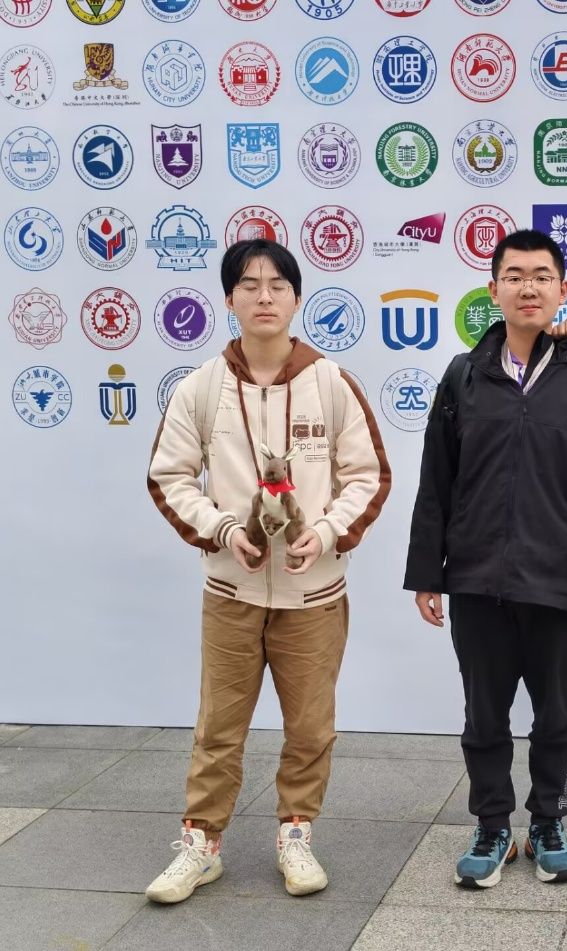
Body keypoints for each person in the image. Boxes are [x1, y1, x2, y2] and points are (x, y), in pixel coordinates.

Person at [144, 239, 391, 903]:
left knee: (310, 726)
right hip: (231, 588)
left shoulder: (331, 381)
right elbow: (169, 476)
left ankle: (296, 833)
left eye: (277, 284)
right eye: (249, 285)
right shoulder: (202, 386)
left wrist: (326, 531)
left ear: (296, 297)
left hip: (314, 593)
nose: (264, 296)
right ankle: (202, 844)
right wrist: (224, 529)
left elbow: (368, 475)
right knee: (218, 726)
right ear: (229, 298)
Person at [404, 229, 567, 888]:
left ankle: (549, 821)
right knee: (484, 717)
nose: (528, 287)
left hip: (561, 583)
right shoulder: (463, 376)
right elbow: (436, 481)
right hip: (478, 580)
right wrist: (427, 573)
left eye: (541, 276)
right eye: (514, 275)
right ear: (493, 288)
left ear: (562, 288)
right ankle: (493, 824)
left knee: (557, 716)